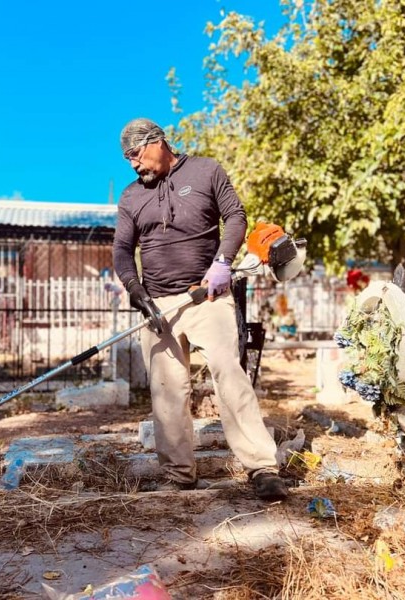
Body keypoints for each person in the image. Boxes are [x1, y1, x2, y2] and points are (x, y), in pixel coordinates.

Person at [112, 117, 289, 500]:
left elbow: (236, 217)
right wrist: (135, 290)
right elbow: (122, 251)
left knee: (229, 373)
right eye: (126, 158)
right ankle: (178, 474)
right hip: (158, 306)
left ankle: (262, 466)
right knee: (167, 390)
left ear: (158, 141)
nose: (133, 164)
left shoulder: (206, 170)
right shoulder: (130, 197)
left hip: (206, 298)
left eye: (136, 154)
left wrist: (223, 262)